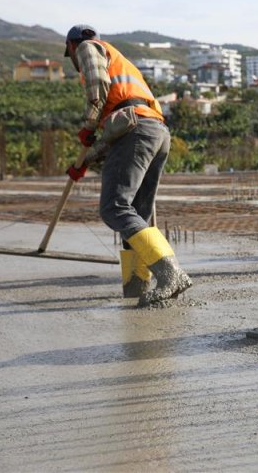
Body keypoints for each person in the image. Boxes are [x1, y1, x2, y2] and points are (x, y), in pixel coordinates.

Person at [63, 24, 192, 307]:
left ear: (72, 47)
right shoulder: (123, 65)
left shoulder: (88, 48)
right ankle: (137, 286)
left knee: (115, 208)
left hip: (136, 130)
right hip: (154, 131)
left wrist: (88, 123)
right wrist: (85, 161)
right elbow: (117, 128)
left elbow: (98, 90)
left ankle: (171, 274)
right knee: (137, 216)